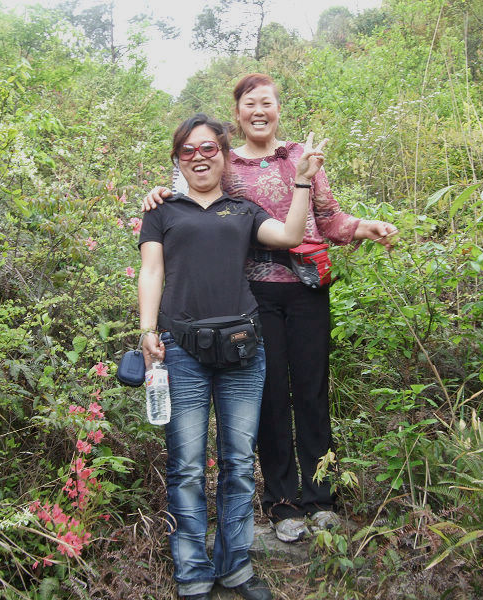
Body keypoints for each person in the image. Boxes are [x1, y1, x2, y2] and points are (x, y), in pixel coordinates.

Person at [142, 74, 398, 544]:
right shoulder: (226, 162)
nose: (259, 110)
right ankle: (281, 502)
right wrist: (156, 193)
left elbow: (330, 217)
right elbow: (190, 193)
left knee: (312, 391)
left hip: (306, 290)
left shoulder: (303, 158)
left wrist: (365, 226)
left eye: (267, 103)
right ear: (236, 115)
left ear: (279, 108)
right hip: (253, 297)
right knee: (270, 399)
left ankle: (321, 497)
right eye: (249, 104)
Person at [138, 112, 327, 600]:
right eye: (188, 151)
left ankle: (235, 565)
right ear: (178, 159)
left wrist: (303, 181)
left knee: (239, 462)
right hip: (182, 351)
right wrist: (146, 329)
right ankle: (192, 571)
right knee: (186, 465)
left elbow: (289, 237)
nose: (199, 158)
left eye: (208, 149)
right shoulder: (162, 210)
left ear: (223, 154)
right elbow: (151, 272)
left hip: (244, 351)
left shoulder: (243, 210)